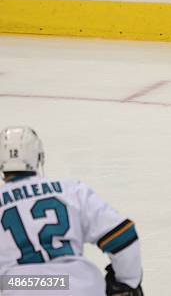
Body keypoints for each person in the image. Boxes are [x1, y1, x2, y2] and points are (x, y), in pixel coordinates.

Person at [0, 126, 144, 296]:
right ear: (39, 157)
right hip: (80, 285)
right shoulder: (71, 190)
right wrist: (127, 283)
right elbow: (122, 236)